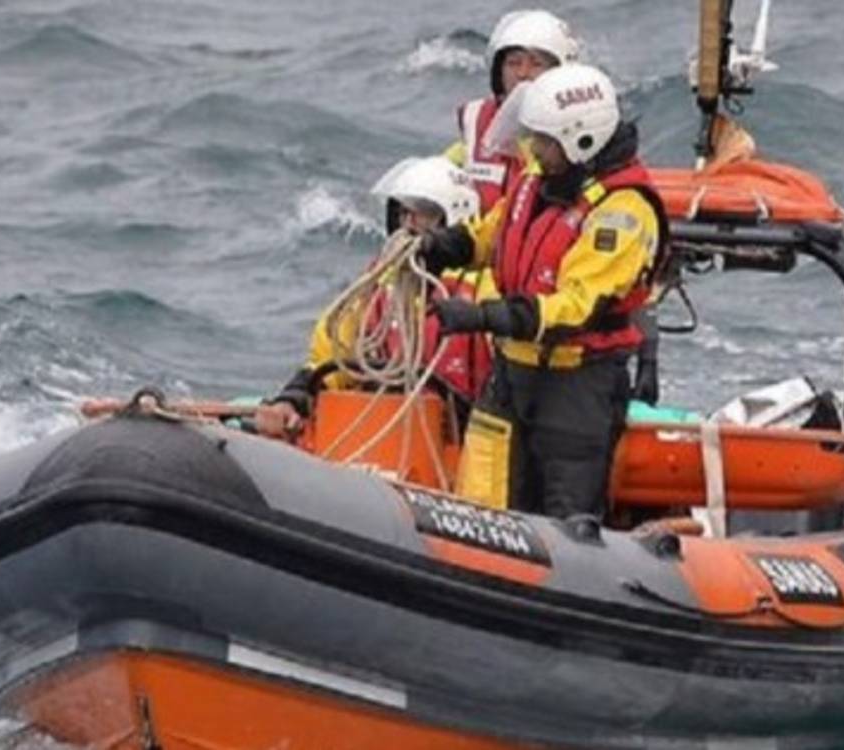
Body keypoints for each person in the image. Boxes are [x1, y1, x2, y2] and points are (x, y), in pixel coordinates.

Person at [422, 64, 668, 519]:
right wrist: (443, 248)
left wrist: (481, 316)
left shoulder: (624, 211)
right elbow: (494, 235)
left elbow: (575, 306)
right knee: (484, 502)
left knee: (564, 516)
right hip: (513, 374)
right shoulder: (538, 179)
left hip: (576, 383)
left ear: (581, 140)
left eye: (545, 141)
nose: (534, 149)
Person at [256, 156, 490, 439]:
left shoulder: (482, 289)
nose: (409, 224)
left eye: (423, 214)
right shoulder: (378, 282)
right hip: (373, 431)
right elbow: (332, 355)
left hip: (452, 440)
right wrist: (294, 397)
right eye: (403, 213)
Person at [445, 9, 580, 212]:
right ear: (498, 73)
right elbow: (439, 176)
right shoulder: (476, 127)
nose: (523, 74)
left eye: (537, 64)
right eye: (513, 63)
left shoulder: (581, 132)